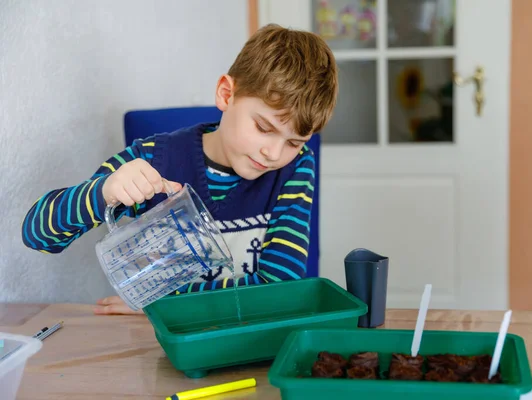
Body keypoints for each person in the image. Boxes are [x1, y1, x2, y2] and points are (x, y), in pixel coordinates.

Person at [21, 24, 338, 315]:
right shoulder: (152, 159)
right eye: (263, 127)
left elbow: (279, 289)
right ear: (226, 94)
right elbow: (37, 235)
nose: (273, 153)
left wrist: (161, 302)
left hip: (248, 344)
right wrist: (103, 192)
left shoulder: (296, 166)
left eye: (294, 141)